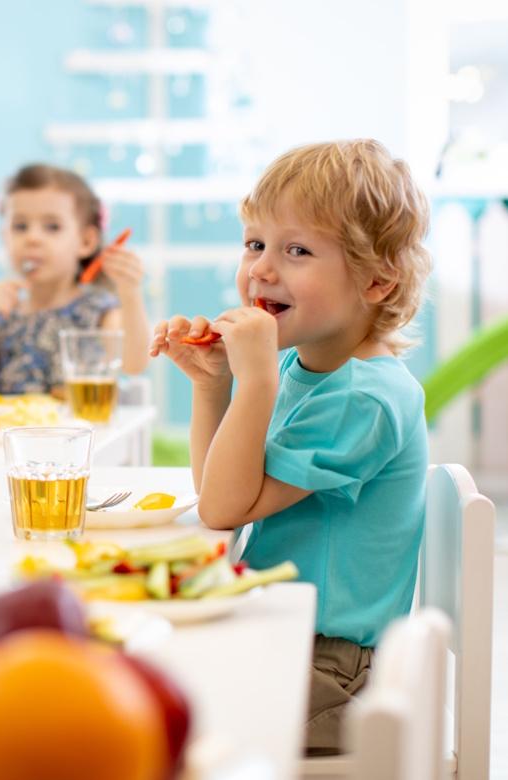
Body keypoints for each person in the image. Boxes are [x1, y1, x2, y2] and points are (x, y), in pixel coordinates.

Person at [149, 139, 432, 754]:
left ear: (378, 282)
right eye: (255, 244)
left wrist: (254, 379)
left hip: (330, 669)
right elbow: (218, 493)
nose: (262, 270)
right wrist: (213, 386)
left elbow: (224, 509)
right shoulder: (312, 370)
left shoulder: (365, 397)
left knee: (146, 719)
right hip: (287, 629)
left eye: (297, 250)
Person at [0, 163, 150, 400]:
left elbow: (134, 363)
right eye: (20, 226)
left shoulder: (97, 309)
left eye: (52, 227)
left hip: (83, 435)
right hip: (14, 436)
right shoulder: (1, 314)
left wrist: (130, 293)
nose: (33, 238)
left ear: (86, 242)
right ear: (4, 237)